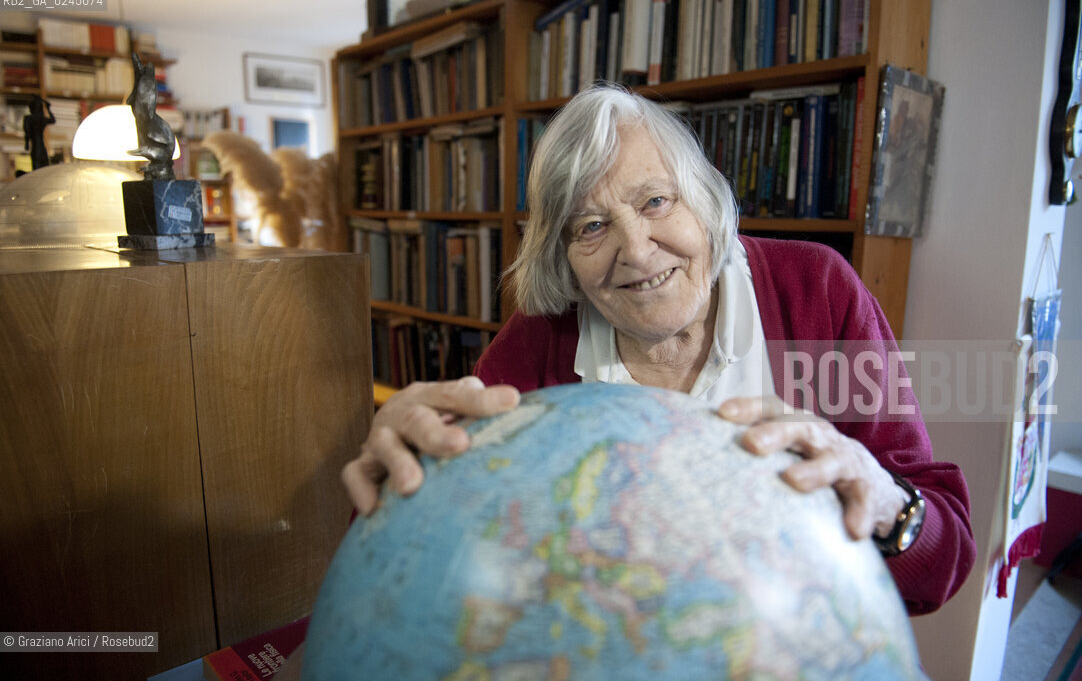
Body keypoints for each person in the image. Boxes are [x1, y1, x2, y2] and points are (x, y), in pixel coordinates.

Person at [343, 84, 975, 615]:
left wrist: (883, 498)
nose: (638, 250)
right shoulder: (540, 340)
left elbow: (942, 565)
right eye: (592, 226)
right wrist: (401, 486)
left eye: (655, 201)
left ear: (703, 197)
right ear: (563, 255)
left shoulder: (817, 290)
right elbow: (420, 560)